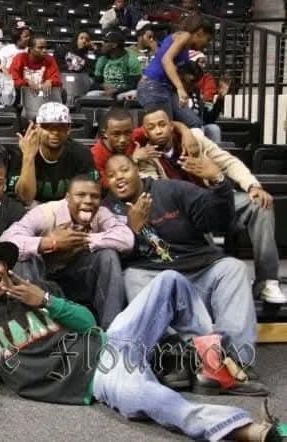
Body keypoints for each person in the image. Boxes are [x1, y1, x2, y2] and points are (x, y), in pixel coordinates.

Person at [0, 240, 279, 441]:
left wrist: (44, 300)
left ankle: (212, 364)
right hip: (102, 377)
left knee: (169, 281)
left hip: (113, 342)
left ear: (5, 264)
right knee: (152, 399)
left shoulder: (39, 288)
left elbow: (88, 323)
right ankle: (243, 430)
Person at [103, 154, 268, 389]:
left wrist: (219, 183)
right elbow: (114, 258)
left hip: (199, 269)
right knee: (131, 276)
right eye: (111, 175)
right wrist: (134, 230)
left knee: (233, 268)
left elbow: (217, 219)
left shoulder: (171, 190)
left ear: (138, 171)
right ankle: (177, 357)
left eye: (124, 170)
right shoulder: (108, 210)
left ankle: (236, 358)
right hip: (155, 277)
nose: (118, 177)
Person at [132, 108, 287, 304]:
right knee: (195, 232)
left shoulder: (194, 140)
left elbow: (228, 162)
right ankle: (214, 289)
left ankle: (266, 281)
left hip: (217, 198)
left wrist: (252, 185)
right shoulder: (146, 157)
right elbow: (156, 191)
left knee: (260, 204)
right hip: (186, 213)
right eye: (152, 127)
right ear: (145, 132)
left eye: (162, 125)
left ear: (171, 126)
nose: (159, 131)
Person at [0, 174, 133, 328]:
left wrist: (83, 239)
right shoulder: (45, 213)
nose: (88, 201)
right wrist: (50, 242)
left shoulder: (100, 213)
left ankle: (112, 332)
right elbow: (6, 241)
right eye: (81, 195)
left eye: (94, 196)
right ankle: (40, 330)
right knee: (25, 258)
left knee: (108, 255)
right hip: (41, 280)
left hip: (75, 278)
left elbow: (126, 238)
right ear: (67, 198)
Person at [9, 103, 97, 206]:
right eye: (47, 126)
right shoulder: (20, 152)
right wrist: (29, 157)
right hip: (30, 212)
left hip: (69, 210)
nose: (55, 132)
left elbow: (90, 196)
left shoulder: (81, 153)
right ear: (37, 128)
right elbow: (25, 199)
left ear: (69, 129)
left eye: (61, 127)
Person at [90, 107, 199, 187]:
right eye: (116, 134)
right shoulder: (95, 155)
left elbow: (165, 123)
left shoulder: (135, 136)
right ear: (105, 134)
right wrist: (133, 160)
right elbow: (109, 186)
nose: (123, 139)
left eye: (127, 133)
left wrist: (186, 132)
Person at [137, 14, 213, 128]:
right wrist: (180, 88)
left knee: (195, 123)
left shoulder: (182, 43)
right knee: (165, 128)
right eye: (208, 39)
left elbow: (161, 56)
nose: (207, 44)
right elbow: (166, 60)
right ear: (200, 32)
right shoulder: (185, 35)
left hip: (166, 88)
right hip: (154, 86)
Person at [178, 61, 230, 143]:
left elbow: (208, 119)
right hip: (182, 130)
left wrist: (220, 98)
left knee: (213, 129)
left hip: (198, 128)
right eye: (191, 81)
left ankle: (213, 155)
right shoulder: (174, 93)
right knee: (198, 130)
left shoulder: (196, 92)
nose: (194, 85)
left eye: (196, 81)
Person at [87, 30, 141, 100]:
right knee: (90, 94)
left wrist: (116, 90)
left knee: (134, 93)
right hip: (106, 91)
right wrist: (103, 86)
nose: (102, 44)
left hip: (123, 92)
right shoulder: (102, 60)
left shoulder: (131, 60)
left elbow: (134, 85)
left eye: (106, 41)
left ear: (114, 45)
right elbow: (95, 83)